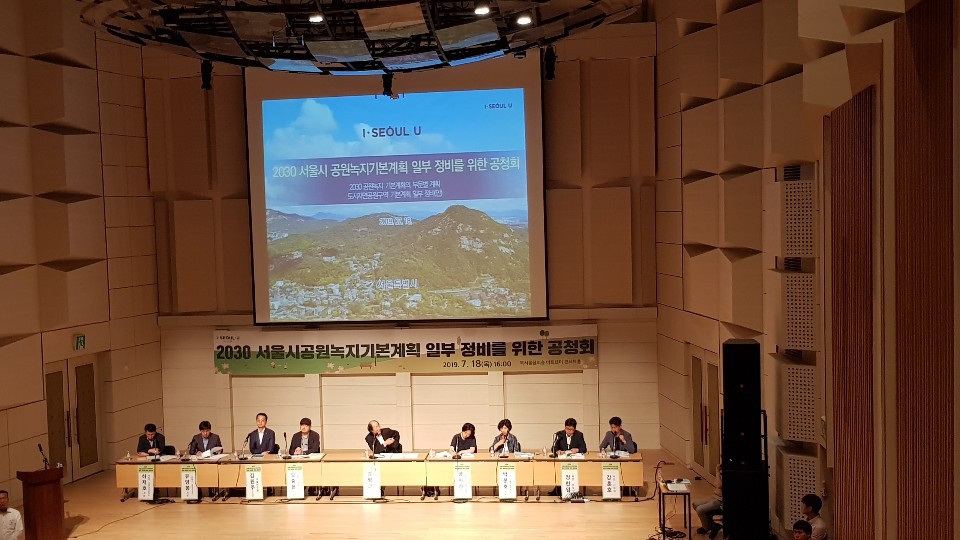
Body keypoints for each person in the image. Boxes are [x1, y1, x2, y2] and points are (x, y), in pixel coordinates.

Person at [693, 467, 722, 536]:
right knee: (695, 504)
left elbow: (718, 485)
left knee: (700, 509)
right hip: (715, 497)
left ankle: (706, 527)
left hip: (721, 501)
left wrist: (717, 471)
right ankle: (712, 524)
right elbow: (716, 484)